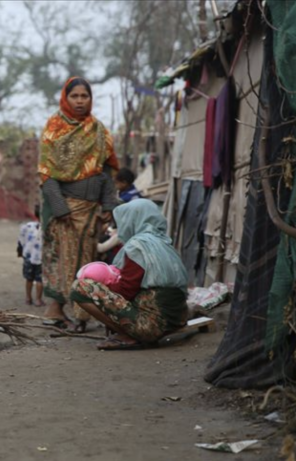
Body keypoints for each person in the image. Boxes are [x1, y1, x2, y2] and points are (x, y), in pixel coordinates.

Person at [39, 76, 120, 333]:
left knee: (87, 259)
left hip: (91, 210)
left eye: (84, 96)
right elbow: (46, 174)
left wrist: (108, 205)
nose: (80, 101)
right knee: (63, 259)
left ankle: (81, 313)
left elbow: (107, 171)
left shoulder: (98, 130)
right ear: (66, 97)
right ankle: (59, 309)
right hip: (64, 209)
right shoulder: (54, 128)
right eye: (74, 96)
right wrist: (60, 208)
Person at [70, 199, 189, 350]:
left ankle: (129, 336)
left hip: (151, 327)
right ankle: (132, 332)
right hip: (176, 321)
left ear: (132, 220)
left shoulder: (138, 247)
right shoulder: (164, 243)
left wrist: (105, 283)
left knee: (80, 287)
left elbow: (126, 290)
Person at [17, 205, 44, 306]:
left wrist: (20, 252)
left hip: (28, 256)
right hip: (41, 258)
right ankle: (38, 300)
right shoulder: (47, 228)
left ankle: (28, 298)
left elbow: (20, 240)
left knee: (29, 278)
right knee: (39, 280)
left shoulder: (27, 226)